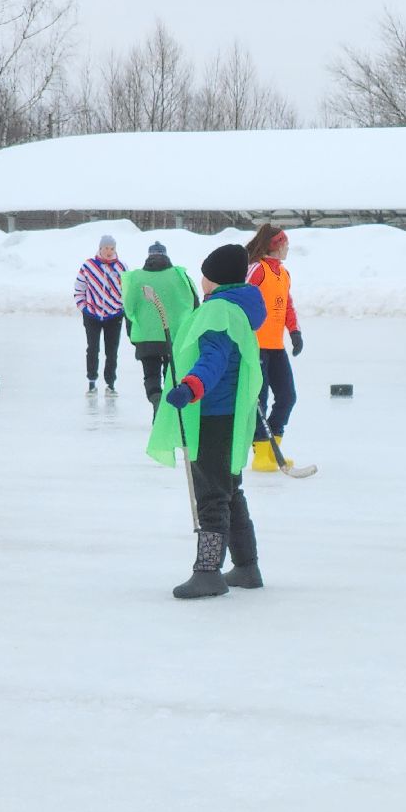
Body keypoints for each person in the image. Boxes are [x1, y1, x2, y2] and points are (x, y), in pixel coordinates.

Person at [146, 244, 266, 600]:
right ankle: (247, 565)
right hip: (230, 416)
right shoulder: (238, 308)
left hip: (212, 414)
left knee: (211, 494)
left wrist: (190, 387)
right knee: (229, 490)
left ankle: (208, 571)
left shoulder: (218, 312)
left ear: (214, 279)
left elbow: (213, 359)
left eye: (205, 274)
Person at [244, 224, 304, 471]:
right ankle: (260, 453)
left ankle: (273, 449)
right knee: (260, 399)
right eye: (284, 242)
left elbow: (286, 305)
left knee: (288, 396)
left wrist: (295, 331)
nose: (288, 246)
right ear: (275, 246)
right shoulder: (257, 269)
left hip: (276, 346)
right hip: (255, 345)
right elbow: (242, 297)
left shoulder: (284, 273)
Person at [120, 241, 199, 415]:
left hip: (146, 337)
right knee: (171, 374)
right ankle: (169, 412)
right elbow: (194, 304)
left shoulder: (136, 278)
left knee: (151, 375)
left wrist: (132, 335)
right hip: (174, 336)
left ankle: (156, 398)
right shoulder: (179, 275)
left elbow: (128, 309)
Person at [73, 235, 127, 395]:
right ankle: (91, 382)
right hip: (92, 316)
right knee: (93, 348)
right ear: (100, 248)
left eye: (112, 249)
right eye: (106, 248)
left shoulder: (121, 267)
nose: (109, 252)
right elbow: (79, 287)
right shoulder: (89, 266)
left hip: (114, 316)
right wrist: (84, 307)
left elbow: (128, 290)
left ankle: (110, 384)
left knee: (112, 351)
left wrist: (121, 306)